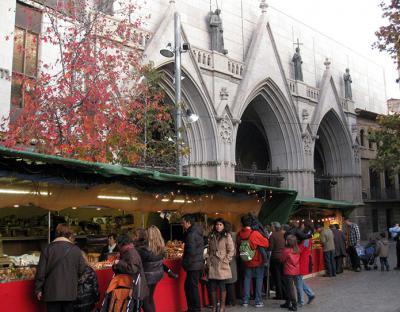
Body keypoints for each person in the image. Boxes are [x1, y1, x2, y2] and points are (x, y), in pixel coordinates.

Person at [35, 224, 86, 312]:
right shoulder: (76, 250)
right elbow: (82, 269)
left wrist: (38, 289)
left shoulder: (47, 249)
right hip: (69, 292)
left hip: (51, 292)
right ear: (69, 234)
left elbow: (41, 271)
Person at [237, 215, 269, 308]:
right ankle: (258, 301)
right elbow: (266, 243)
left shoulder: (240, 234)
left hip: (246, 260)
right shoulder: (254, 234)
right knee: (259, 279)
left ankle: (245, 301)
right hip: (257, 260)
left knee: (247, 279)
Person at [135, 226, 168, 312]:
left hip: (148, 277)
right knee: (149, 298)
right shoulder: (160, 248)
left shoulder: (144, 250)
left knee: (145, 301)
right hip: (157, 276)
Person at [206, 218, 234, 312]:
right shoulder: (211, 235)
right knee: (212, 286)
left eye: (220, 225)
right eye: (217, 224)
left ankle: (222, 307)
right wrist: (208, 258)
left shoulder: (227, 236)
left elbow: (231, 250)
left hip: (222, 264)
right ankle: (214, 307)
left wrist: (226, 260)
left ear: (224, 226)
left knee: (222, 286)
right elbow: (209, 249)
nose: (218, 226)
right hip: (213, 264)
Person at [112, 233, 149, 302]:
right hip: (132, 285)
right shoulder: (125, 251)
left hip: (136, 286)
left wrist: (119, 262)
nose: (116, 245)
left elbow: (133, 269)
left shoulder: (130, 252)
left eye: (117, 243)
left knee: (144, 305)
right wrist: (116, 264)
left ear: (121, 243)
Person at [181, 214, 204, 312]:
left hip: (193, 265)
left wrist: (185, 264)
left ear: (188, 222)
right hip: (196, 264)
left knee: (192, 287)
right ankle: (193, 308)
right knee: (190, 286)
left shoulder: (191, 234)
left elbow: (191, 252)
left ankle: (195, 309)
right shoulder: (196, 231)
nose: (182, 224)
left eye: (183, 222)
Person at [296, 221, 315, 307]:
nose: (301, 226)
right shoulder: (307, 236)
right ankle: (310, 294)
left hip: (301, 261)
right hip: (303, 260)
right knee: (299, 281)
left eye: (303, 224)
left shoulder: (306, 238)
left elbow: (301, 249)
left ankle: (301, 301)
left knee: (298, 282)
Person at [280, 235, 300, 311]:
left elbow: (282, 259)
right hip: (295, 270)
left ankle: (294, 305)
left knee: (290, 288)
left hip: (288, 270)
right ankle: (288, 303)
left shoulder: (286, 250)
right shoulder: (297, 249)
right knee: (290, 288)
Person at [268, 221, 286, 300]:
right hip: (283, 257)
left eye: (272, 226)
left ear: (274, 227)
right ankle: (284, 293)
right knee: (282, 277)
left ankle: (279, 295)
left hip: (275, 258)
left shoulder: (273, 235)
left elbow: (270, 248)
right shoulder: (283, 234)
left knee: (277, 277)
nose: (271, 228)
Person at [224, 222, 238, 307]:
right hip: (233, 260)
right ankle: (232, 301)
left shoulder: (226, 236)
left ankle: (230, 301)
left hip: (228, 260)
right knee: (230, 282)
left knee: (228, 282)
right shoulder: (235, 235)